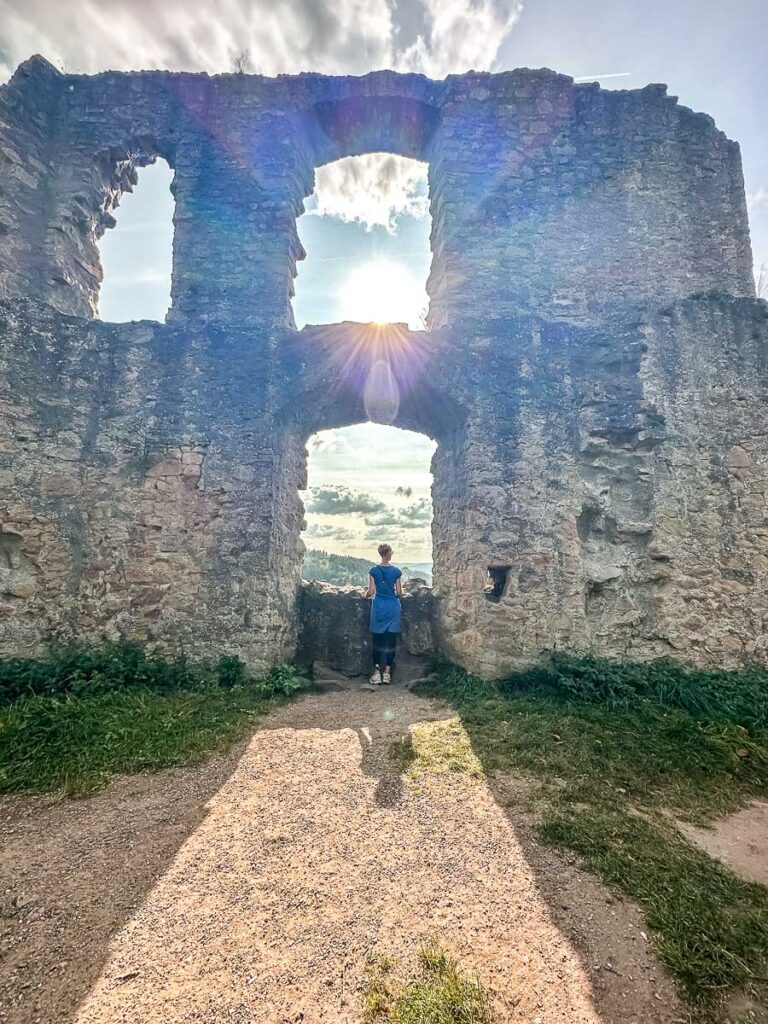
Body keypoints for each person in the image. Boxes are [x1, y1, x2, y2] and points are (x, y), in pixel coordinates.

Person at [365, 542, 402, 685]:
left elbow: (371, 592)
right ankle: (387, 673)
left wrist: (365, 595)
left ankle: (376, 673)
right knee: (391, 642)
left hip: (379, 607)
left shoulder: (373, 571)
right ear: (389, 553)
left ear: (381, 554)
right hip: (393, 608)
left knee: (377, 641)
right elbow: (399, 593)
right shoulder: (396, 571)